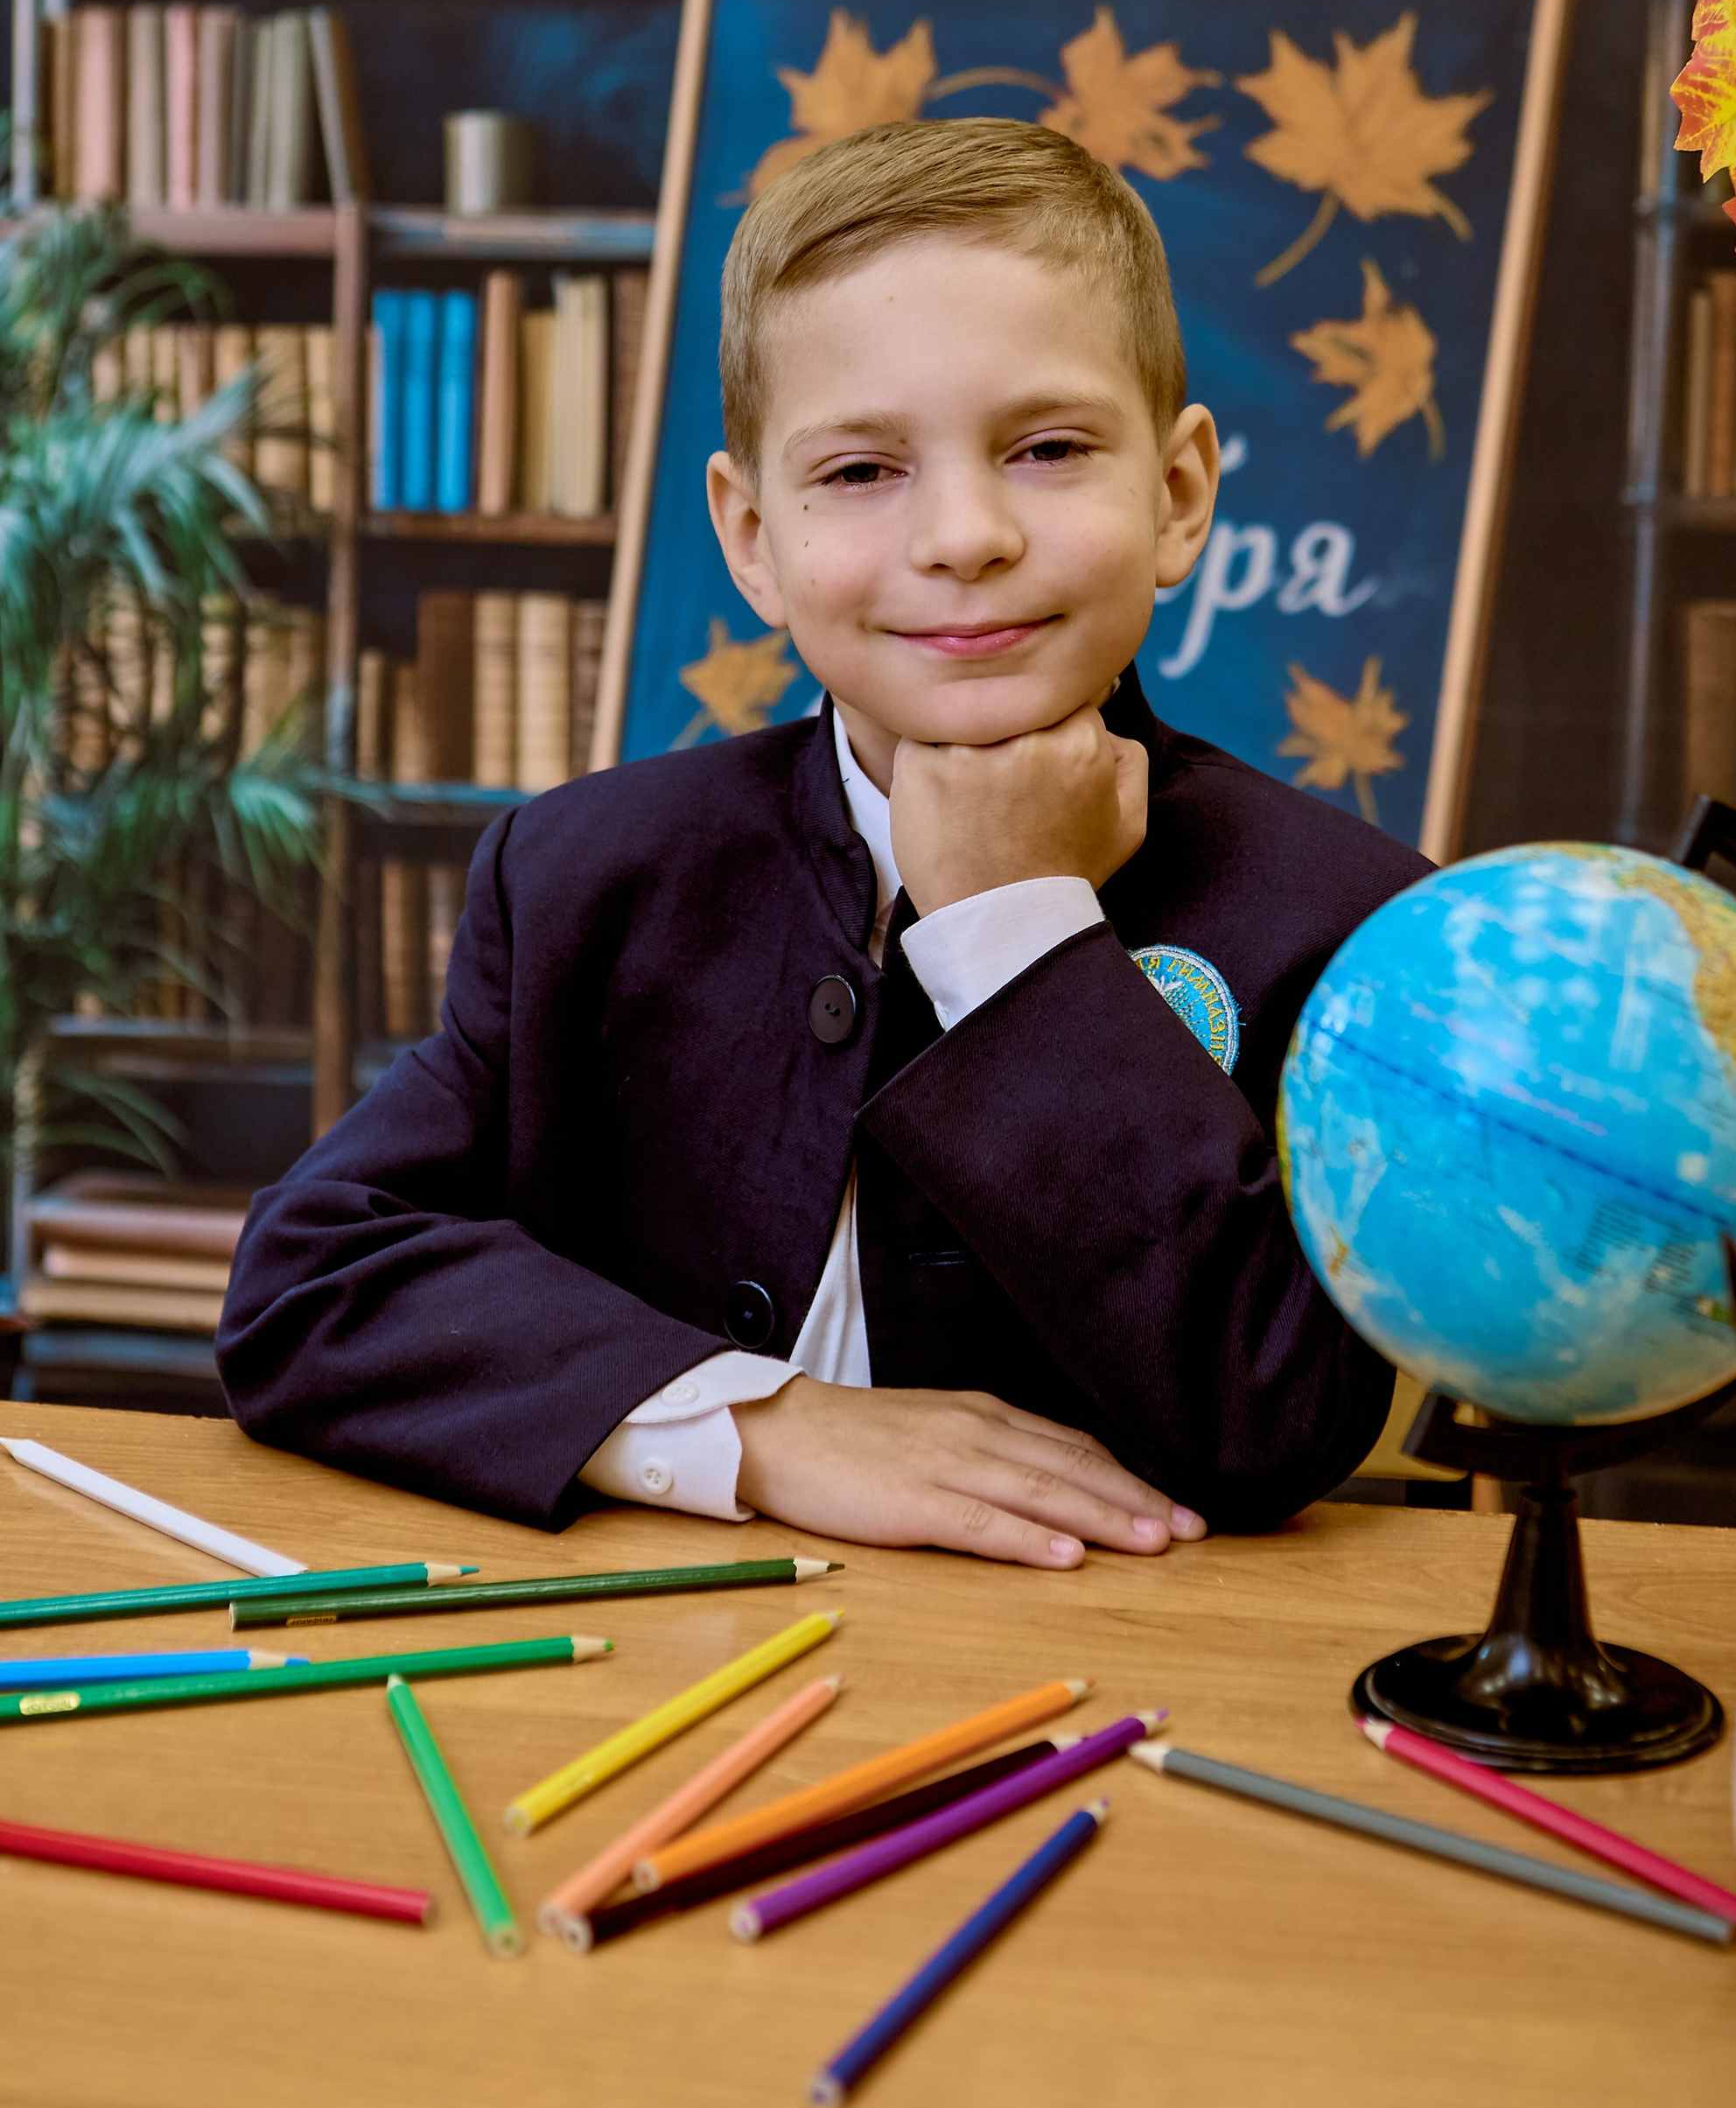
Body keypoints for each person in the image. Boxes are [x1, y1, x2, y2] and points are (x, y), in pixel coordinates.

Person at [219, 118, 1419, 1560]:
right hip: (650, 1651)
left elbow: (1273, 1415)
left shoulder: (1356, 926)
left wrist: (1018, 926)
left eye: (1046, 448)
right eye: (860, 471)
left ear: (1175, 496)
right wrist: (766, 1425)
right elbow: (311, 1280)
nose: (964, 534)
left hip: (1107, 1685)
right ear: (749, 535)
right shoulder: (589, 877)